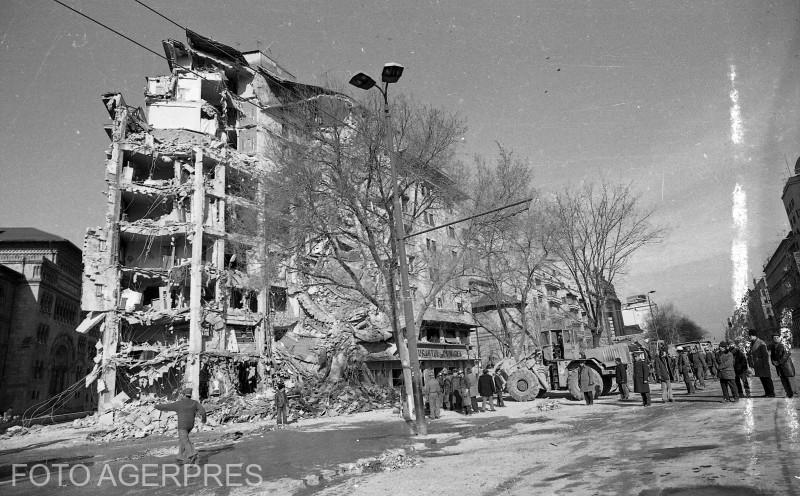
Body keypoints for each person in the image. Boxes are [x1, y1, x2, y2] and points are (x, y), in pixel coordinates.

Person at [155, 387, 207, 464]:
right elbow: (203, 411)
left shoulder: (179, 403)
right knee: (183, 439)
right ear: (190, 395)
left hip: (182, 425)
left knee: (185, 440)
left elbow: (166, 406)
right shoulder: (195, 403)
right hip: (190, 425)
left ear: (183, 395)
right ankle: (180, 456)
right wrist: (203, 420)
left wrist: (156, 406)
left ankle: (192, 454)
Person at [747, 329, 775, 397]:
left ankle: (771, 393)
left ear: (754, 335)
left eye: (750, 336)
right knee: (762, 379)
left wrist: (765, 364)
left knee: (767, 379)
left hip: (763, 364)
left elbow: (765, 355)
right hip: (757, 364)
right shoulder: (752, 343)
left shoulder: (761, 343)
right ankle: (767, 393)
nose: (749, 337)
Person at [770, 332, 795, 398]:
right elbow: (772, 356)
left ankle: (792, 393)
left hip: (785, 366)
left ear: (780, 338)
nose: (776, 339)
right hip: (779, 367)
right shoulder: (773, 347)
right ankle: (788, 393)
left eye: (777, 337)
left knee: (788, 380)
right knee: (783, 380)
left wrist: (779, 362)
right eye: (774, 338)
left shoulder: (783, 345)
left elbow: (786, 354)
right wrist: (773, 362)